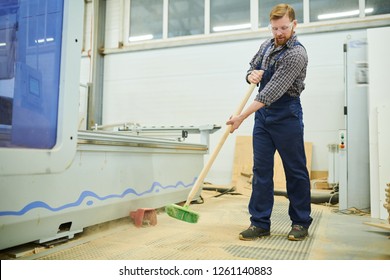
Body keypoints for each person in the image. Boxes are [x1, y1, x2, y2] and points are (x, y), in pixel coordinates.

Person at [226, 3, 312, 241]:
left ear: (294, 25)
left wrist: (242, 116)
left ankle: (300, 222)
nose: (279, 33)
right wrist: (249, 75)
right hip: (263, 118)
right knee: (261, 170)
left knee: (295, 170)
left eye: (284, 28)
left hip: (287, 114)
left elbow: (269, 94)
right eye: (275, 28)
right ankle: (260, 222)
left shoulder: (297, 54)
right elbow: (252, 68)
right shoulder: (266, 45)